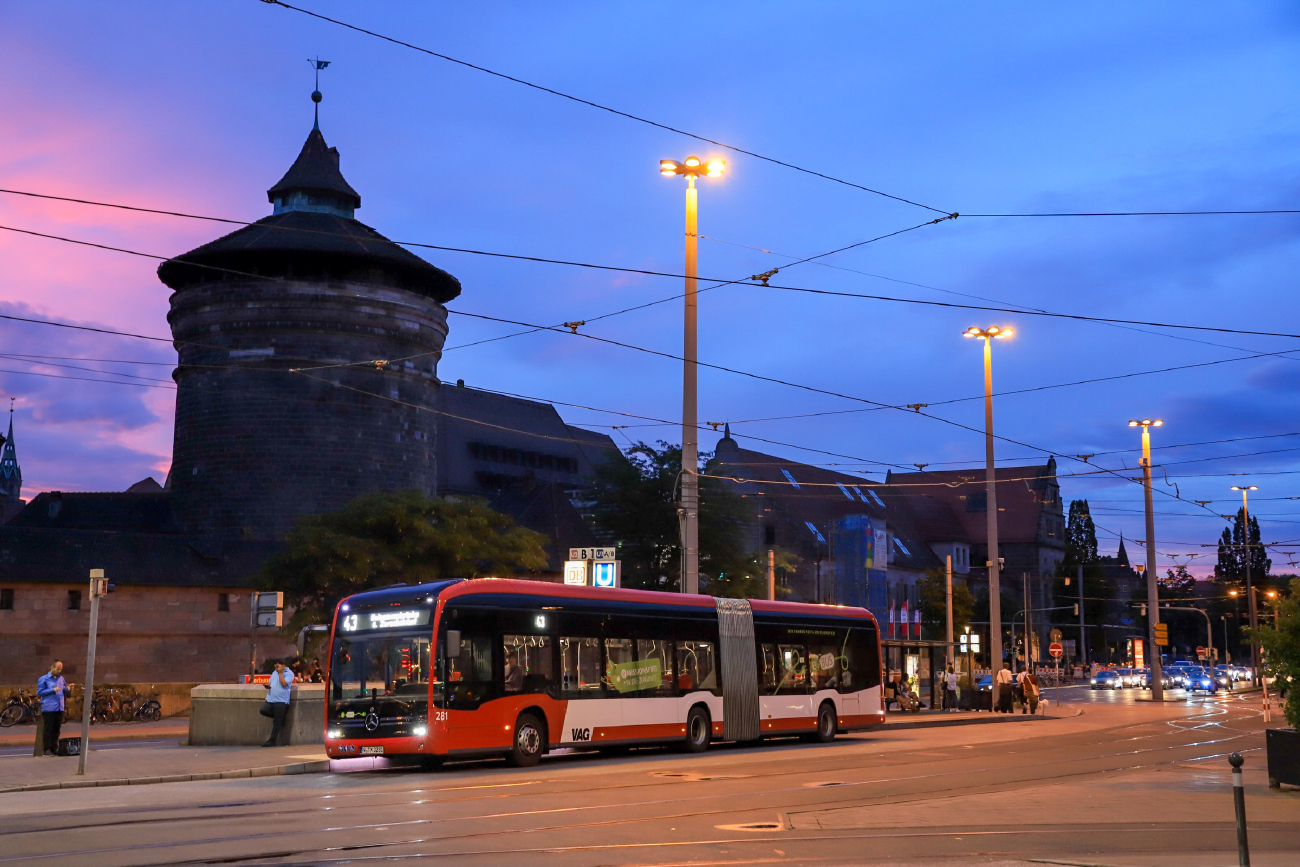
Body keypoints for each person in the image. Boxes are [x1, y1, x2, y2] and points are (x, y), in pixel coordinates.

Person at [36, 660, 71, 757]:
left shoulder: (61, 679)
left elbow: (63, 689)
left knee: (56, 729)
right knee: (48, 729)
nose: (59, 671)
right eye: (57, 669)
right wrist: (52, 690)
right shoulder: (43, 679)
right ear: (52, 667)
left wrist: (67, 690)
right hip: (49, 707)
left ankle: (54, 748)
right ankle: (46, 749)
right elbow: (40, 692)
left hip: (59, 707)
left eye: (60, 669)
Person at [262, 660, 294, 747]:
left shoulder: (289, 673)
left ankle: (272, 741)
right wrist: (268, 685)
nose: (276, 669)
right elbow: (272, 683)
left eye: (278, 667)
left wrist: (280, 672)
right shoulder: (274, 672)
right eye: (275, 667)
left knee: (277, 722)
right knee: (263, 710)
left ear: (283, 666)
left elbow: (284, 684)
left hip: (281, 700)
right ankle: (280, 718)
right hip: (271, 698)